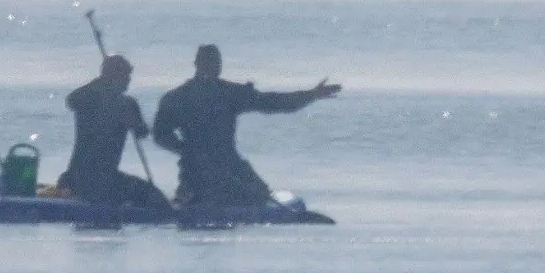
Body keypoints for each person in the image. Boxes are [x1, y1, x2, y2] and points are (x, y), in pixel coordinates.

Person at [152, 44, 340, 206]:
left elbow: (272, 102)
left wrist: (311, 95)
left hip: (230, 164)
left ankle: (200, 195)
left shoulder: (229, 93)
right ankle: (190, 195)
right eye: (209, 62)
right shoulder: (177, 98)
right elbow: (160, 134)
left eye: (216, 62)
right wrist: (188, 152)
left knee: (259, 195)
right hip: (195, 170)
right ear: (197, 64)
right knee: (232, 194)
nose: (213, 67)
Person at [56, 54, 170, 209]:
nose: (128, 81)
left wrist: (133, 119)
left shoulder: (126, 104)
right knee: (157, 200)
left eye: (129, 76)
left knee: (151, 195)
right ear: (114, 76)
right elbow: (71, 100)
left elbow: (142, 132)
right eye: (125, 76)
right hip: (88, 180)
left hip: (99, 178)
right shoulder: (90, 98)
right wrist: (103, 82)